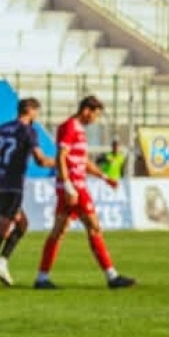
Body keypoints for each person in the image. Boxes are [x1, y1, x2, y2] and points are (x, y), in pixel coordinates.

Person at [34, 96, 136, 290]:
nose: (95, 120)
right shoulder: (69, 127)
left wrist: (104, 177)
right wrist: (68, 185)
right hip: (75, 186)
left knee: (59, 231)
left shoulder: (79, 130)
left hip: (74, 185)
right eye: (95, 115)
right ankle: (112, 277)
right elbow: (61, 157)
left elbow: (82, 161)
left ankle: (42, 278)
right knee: (94, 227)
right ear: (86, 110)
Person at [0, 98, 55, 289]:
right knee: (4, 227)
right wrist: (61, 163)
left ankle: (1, 263)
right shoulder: (28, 131)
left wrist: (1, 164)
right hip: (12, 185)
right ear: (31, 111)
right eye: (37, 112)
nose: (37, 116)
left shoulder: (2, 128)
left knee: (22, 224)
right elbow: (40, 160)